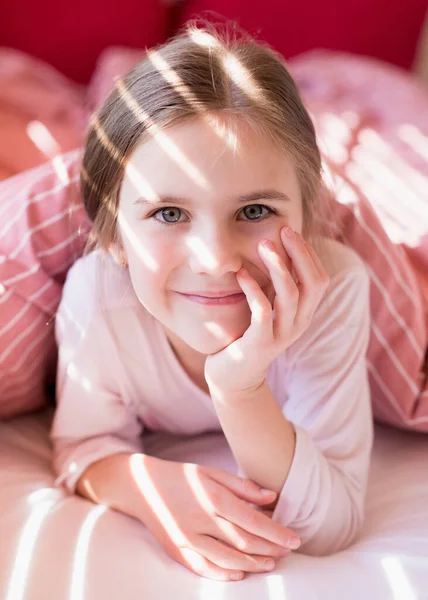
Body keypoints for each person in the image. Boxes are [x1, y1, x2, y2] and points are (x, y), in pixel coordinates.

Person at [50, 22, 373, 582]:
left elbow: (331, 526)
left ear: (306, 214)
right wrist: (147, 491)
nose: (216, 259)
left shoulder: (335, 288)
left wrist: (239, 387)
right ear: (114, 238)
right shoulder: (99, 300)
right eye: (169, 214)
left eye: (254, 212)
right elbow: (83, 443)